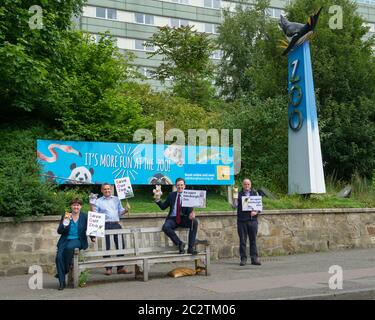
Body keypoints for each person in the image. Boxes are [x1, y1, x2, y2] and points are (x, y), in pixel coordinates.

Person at [90, 183, 132, 276]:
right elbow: (94, 214)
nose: (107, 190)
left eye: (108, 189)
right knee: (107, 247)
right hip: (105, 225)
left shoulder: (116, 199)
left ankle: (120, 268)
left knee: (121, 246)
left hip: (116, 224)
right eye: (105, 189)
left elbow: (120, 212)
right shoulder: (98, 201)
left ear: (111, 189)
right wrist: (91, 204)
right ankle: (108, 268)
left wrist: (126, 210)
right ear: (102, 190)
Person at [55, 198, 95, 290]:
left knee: (69, 247)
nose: (76, 207)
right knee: (58, 257)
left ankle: (64, 270)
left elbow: (90, 228)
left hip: (78, 240)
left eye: (78, 205)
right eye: (74, 205)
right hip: (64, 240)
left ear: (80, 206)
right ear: (71, 206)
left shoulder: (84, 216)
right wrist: (64, 225)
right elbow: (59, 231)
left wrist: (92, 237)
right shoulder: (66, 215)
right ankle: (62, 282)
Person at [154, 178, 199, 254]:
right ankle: (180, 244)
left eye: (181, 185)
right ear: (175, 186)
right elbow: (163, 207)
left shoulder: (188, 196)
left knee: (194, 222)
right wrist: (157, 200)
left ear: (184, 186)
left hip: (183, 219)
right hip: (172, 219)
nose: (180, 186)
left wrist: (192, 214)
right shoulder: (171, 195)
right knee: (165, 227)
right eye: (178, 185)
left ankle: (190, 248)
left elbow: (190, 211)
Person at [232, 178, 262, 266]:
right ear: (243, 185)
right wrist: (234, 198)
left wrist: (256, 212)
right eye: (245, 184)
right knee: (242, 241)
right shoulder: (238, 194)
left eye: (248, 184)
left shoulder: (255, 193)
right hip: (242, 221)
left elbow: (260, 207)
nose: (247, 186)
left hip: (253, 221)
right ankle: (243, 259)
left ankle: (254, 259)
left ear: (251, 185)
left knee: (253, 240)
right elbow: (234, 206)